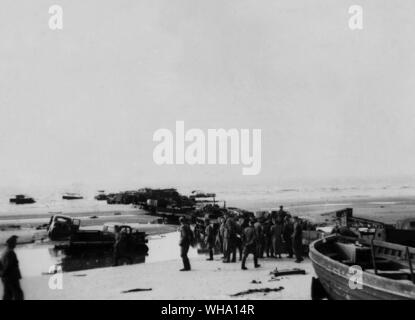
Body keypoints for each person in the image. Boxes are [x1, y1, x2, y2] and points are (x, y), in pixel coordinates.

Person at [1, 235, 24, 300]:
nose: (15, 244)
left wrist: (2, 274)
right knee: (18, 294)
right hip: (11, 277)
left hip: (6, 277)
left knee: (8, 295)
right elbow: (8, 265)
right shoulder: (10, 252)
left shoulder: (5, 251)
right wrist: (3, 273)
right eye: (14, 242)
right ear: (11, 243)